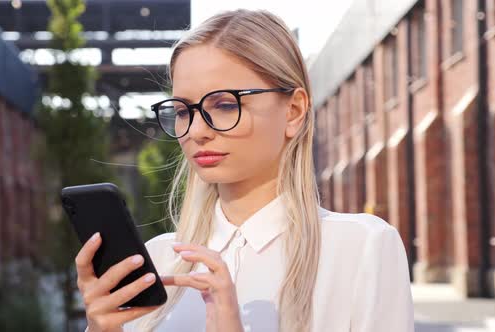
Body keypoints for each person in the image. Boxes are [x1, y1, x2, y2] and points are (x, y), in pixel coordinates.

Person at [76, 9, 414, 332]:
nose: (195, 131)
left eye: (224, 105)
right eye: (182, 111)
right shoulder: (158, 259)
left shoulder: (360, 247)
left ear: (294, 111)